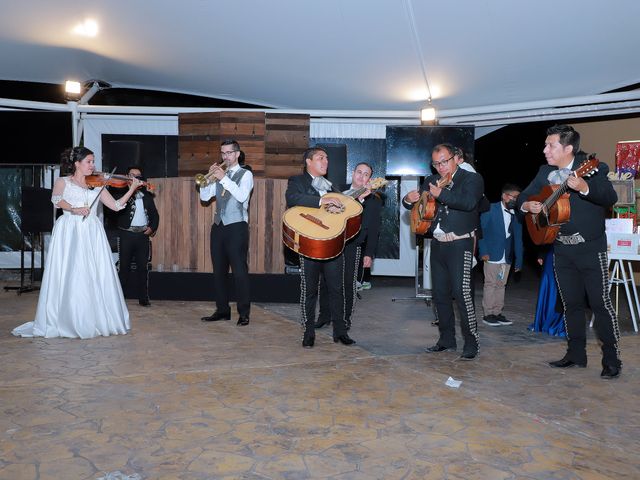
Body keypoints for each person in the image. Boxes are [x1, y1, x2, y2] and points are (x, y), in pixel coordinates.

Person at [518, 124, 621, 379]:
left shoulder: (593, 165)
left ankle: (611, 359)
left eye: (550, 145)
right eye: (545, 145)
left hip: (590, 248)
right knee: (571, 304)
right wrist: (527, 205)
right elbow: (523, 197)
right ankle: (576, 355)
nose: (545, 150)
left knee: (600, 304)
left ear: (568, 148)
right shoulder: (545, 172)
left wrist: (584, 187)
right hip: (561, 249)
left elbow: (609, 197)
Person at [12, 146, 142, 338]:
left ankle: (96, 318)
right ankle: (68, 318)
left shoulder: (97, 183)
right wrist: (74, 209)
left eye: (93, 161)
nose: (93, 165)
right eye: (89, 161)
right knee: (72, 271)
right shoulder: (63, 181)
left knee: (93, 273)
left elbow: (115, 206)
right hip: (70, 230)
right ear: (77, 164)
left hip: (92, 231)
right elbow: (56, 201)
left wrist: (131, 188)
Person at [403, 143, 484, 360]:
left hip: (460, 244)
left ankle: (471, 342)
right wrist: (407, 200)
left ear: (455, 158)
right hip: (437, 244)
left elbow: (468, 203)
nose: (440, 167)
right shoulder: (431, 180)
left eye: (444, 161)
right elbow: (417, 205)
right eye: (436, 163)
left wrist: (441, 194)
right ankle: (447, 339)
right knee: (439, 295)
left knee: (462, 293)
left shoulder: (471, 179)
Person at [285, 146, 356, 348]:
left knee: (337, 288)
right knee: (309, 290)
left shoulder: (332, 186)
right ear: (308, 161)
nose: (326, 161)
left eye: (326, 159)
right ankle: (308, 332)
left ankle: (340, 332)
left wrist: (342, 206)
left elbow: (341, 214)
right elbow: (292, 199)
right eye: (320, 158)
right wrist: (323, 200)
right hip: (311, 245)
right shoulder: (297, 181)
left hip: (333, 244)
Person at [316, 162, 383, 330]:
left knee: (347, 283)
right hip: (331, 241)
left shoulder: (373, 201)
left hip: (353, 244)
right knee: (325, 281)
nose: (361, 176)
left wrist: (369, 254)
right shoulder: (337, 190)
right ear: (353, 173)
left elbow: (374, 230)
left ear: (370, 179)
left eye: (365, 174)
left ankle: (345, 319)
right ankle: (324, 316)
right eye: (359, 172)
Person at [200, 139, 253, 326]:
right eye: (223, 153)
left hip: (237, 226)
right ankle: (222, 310)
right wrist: (207, 181)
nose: (225, 157)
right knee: (219, 271)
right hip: (218, 226)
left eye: (229, 153)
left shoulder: (245, 174)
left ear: (237, 154)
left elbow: (241, 196)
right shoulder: (220, 175)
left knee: (239, 272)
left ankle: (244, 313)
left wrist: (223, 178)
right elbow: (205, 198)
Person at [113, 166, 159, 307]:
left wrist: (151, 228)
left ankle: (143, 298)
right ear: (127, 176)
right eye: (133, 175)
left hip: (142, 236)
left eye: (138, 176)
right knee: (124, 267)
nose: (136, 178)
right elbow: (115, 210)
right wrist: (130, 190)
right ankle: (119, 298)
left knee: (142, 268)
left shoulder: (147, 195)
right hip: (126, 234)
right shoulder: (119, 192)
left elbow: (155, 215)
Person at [478, 183, 523, 326]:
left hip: (507, 256)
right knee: (490, 284)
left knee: (501, 284)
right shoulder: (490, 209)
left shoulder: (516, 213)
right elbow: (481, 232)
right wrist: (483, 251)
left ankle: (497, 313)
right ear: (504, 196)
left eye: (517, 198)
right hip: (492, 254)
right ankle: (488, 314)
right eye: (513, 197)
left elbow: (518, 238)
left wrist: (519, 260)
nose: (515, 200)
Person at [530, 246, 566, 337]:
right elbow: (545, 236)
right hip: (551, 254)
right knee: (550, 286)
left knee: (562, 288)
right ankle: (544, 321)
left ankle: (558, 324)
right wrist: (541, 254)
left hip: (568, 254)